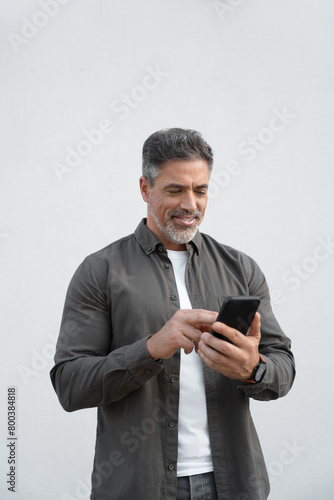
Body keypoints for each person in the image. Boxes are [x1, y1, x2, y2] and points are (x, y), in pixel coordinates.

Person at [50, 128, 295, 500]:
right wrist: (151, 349)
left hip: (234, 484)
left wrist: (254, 368)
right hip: (139, 487)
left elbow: (283, 366)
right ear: (146, 189)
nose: (191, 205)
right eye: (175, 190)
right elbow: (70, 384)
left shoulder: (241, 269)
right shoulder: (100, 271)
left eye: (201, 190)